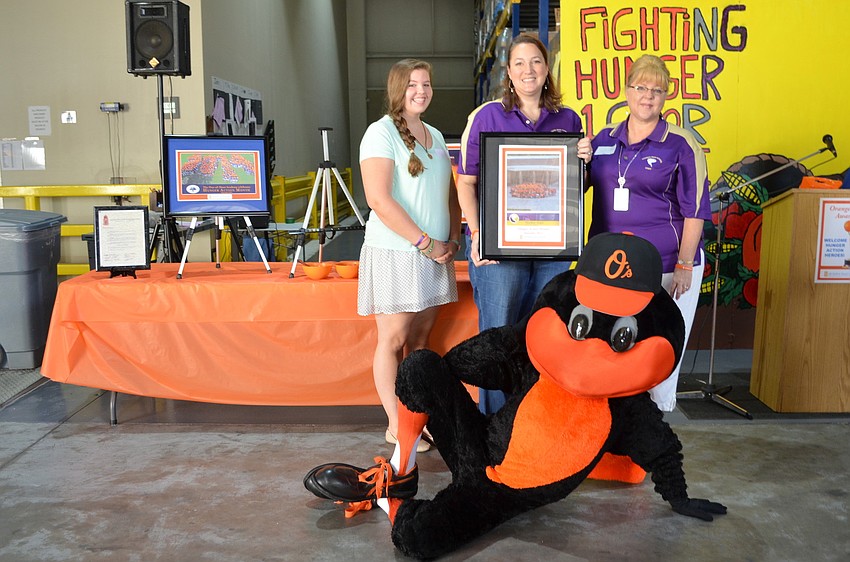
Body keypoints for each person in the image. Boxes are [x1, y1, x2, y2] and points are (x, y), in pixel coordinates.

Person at [455, 33, 592, 414]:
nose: (528, 70)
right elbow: (466, 183)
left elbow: (574, 191)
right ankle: (494, 428)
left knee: (544, 334)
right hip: (499, 248)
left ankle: (532, 423)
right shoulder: (487, 117)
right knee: (498, 335)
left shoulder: (568, 120)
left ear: (547, 69)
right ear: (509, 73)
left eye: (535, 61)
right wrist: (479, 234)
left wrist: (584, 161)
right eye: (519, 63)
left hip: (552, 248)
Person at [586, 54, 712, 412]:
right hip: (612, 265)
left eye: (657, 90)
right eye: (641, 87)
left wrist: (686, 263)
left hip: (668, 265)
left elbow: (695, 208)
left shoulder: (681, 144)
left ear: (666, 96)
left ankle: (656, 425)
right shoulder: (603, 140)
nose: (648, 96)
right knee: (614, 347)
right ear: (626, 91)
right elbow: (575, 191)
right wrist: (575, 157)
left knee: (659, 349)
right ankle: (617, 432)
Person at [357, 58, 462, 451]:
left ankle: (418, 413)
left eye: (426, 84)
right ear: (397, 90)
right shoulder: (380, 133)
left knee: (420, 341)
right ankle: (396, 424)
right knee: (393, 339)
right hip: (399, 252)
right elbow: (379, 199)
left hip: (436, 254)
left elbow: (448, 193)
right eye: (412, 85)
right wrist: (425, 243)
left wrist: (453, 236)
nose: (421, 91)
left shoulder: (434, 133)